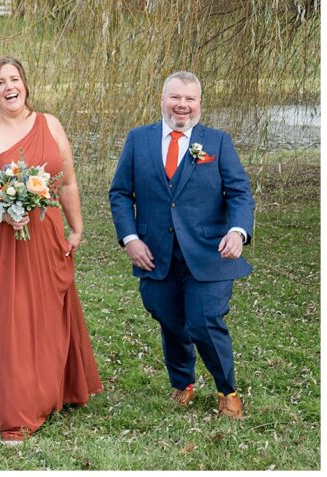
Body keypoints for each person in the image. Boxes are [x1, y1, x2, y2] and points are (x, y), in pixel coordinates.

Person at [0, 57, 101, 445]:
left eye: (15, 79)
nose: (10, 86)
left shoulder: (50, 124)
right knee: (9, 321)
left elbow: (67, 181)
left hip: (45, 237)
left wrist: (77, 227)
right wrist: (3, 210)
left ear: (25, 84)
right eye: (1, 81)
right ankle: (14, 413)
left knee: (44, 316)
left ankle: (47, 391)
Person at [109, 70, 254, 419]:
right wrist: (130, 239)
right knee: (168, 318)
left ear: (199, 103)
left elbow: (239, 193)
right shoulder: (138, 140)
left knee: (203, 321)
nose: (182, 105)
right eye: (176, 97)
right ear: (162, 99)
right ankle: (183, 382)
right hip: (155, 254)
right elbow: (119, 193)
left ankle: (227, 390)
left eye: (190, 99)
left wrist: (237, 231)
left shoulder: (217, 143)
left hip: (209, 253)